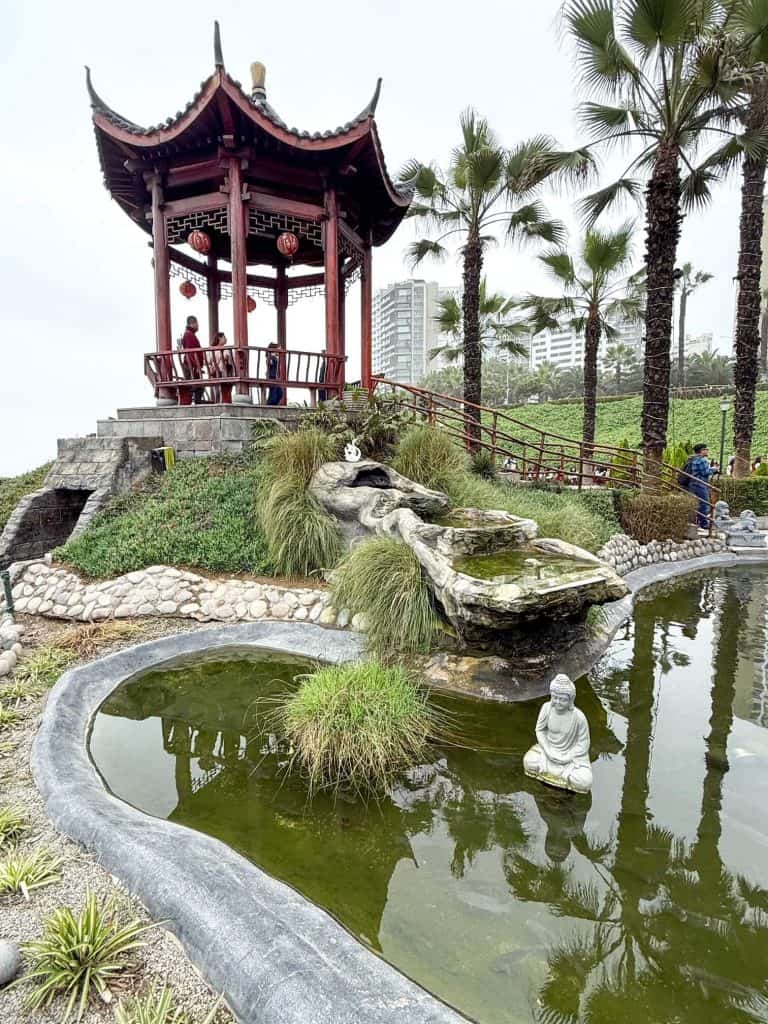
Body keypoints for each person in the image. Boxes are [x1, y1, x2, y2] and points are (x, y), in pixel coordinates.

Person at [681, 442, 719, 529]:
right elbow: (705, 472)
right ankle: (704, 523)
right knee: (704, 503)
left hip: (692, 483)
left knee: (696, 503)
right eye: (706, 449)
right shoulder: (702, 460)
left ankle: (696, 521)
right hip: (700, 484)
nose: (707, 451)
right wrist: (714, 469)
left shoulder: (692, 459)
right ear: (702, 450)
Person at [180, 315, 205, 405]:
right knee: (198, 386)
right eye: (197, 323)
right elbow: (190, 352)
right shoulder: (189, 335)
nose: (198, 326)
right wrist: (196, 366)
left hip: (192, 365)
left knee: (197, 386)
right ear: (192, 324)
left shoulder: (189, 334)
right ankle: (196, 404)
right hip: (191, 365)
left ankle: (196, 403)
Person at [209, 331, 233, 404]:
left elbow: (208, 361)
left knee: (216, 391)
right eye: (224, 337)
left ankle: (217, 403)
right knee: (224, 390)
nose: (226, 339)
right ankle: (224, 403)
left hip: (214, 372)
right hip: (223, 372)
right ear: (219, 338)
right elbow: (229, 362)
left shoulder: (210, 350)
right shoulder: (226, 350)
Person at [266, 341, 284, 406]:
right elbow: (269, 364)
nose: (279, 352)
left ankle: (273, 404)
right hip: (271, 376)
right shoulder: (270, 357)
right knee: (273, 393)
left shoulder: (275, 358)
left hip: (275, 377)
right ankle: (270, 404)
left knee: (279, 392)